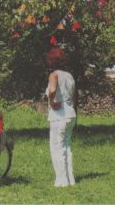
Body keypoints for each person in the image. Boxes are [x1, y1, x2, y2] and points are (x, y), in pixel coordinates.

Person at [46, 47, 77, 187]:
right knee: (67, 147)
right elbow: (74, 96)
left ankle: (61, 181)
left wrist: (52, 102)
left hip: (59, 116)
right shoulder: (69, 75)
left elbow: (52, 90)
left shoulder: (54, 75)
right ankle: (71, 179)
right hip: (71, 114)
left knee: (57, 147)